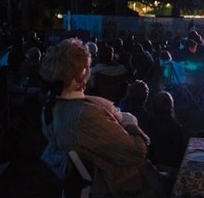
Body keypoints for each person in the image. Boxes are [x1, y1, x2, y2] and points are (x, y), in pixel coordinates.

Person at [39, 38, 166, 197]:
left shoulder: (52, 108)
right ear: (82, 74)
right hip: (123, 187)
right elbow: (137, 152)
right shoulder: (86, 116)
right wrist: (130, 122)